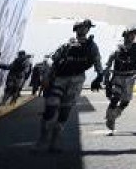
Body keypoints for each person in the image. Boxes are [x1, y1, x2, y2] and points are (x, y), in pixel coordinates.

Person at [34, 19, 104, 152]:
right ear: (76, 28)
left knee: (64, 112)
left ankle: (55, 139)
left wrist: (99, 75)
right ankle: (43, 138)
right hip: (60, 78)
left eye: (87, 27)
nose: (85, 29)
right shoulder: (67, 44)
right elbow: (51, 59)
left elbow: (97, 60)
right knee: (51, 107)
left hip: (77, 80)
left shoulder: (91, 46)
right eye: (82, 27)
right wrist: (46, 76)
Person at [103, 26, 136, 133]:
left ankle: (114, 115)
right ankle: (110, 120)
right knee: (115, 98)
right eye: (130, 34)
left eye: (134, 35)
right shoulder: (117, 49)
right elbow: (108, 64)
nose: (132, 37)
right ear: (125, 36)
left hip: (130, 78)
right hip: (118, 77)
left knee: (125, 102)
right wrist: (106, 78)